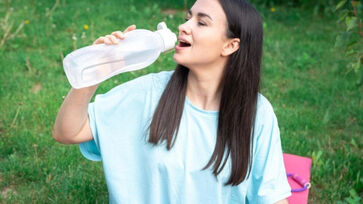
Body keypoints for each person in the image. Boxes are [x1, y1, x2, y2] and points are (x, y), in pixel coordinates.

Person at [53, 0, 291, 203]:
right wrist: (95, 72)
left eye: (201, 22)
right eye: (189, 17)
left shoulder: (256, 113)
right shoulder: (149, 93)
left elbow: (273, 197)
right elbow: (68, 132)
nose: (183, 26)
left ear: (230, 45)